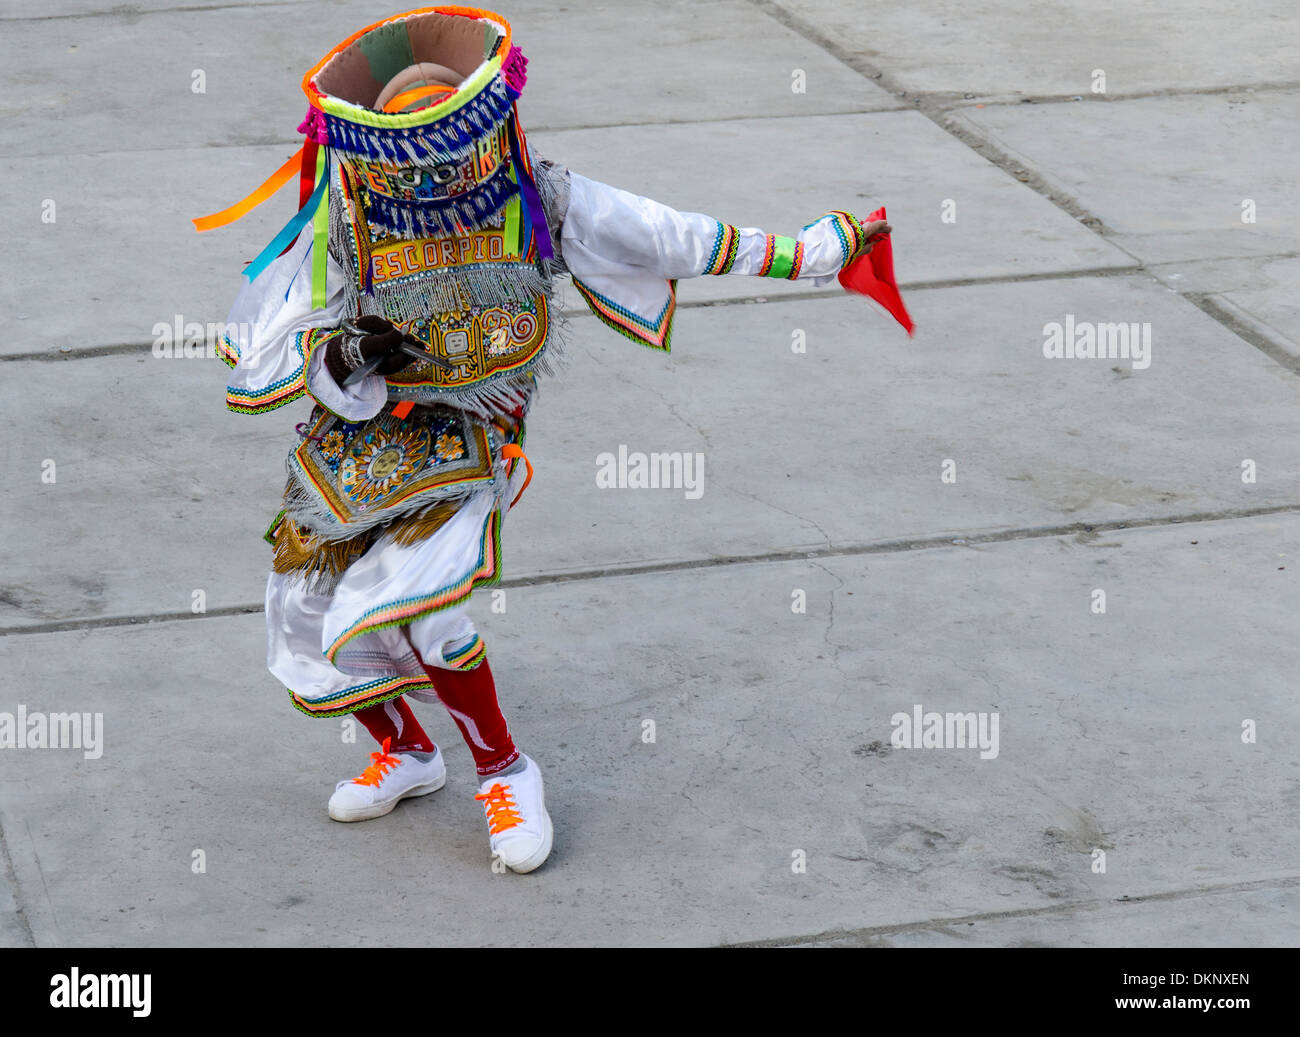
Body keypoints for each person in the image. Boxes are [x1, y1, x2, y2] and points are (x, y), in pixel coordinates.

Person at [200, 5, 889, 874]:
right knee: (296, 607)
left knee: (430, 604)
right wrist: (348, 354)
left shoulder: (539, 193)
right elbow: (289, 332)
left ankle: (505, 770)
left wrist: (802, 253)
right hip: (353, 440)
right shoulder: (347, 213)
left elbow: (667, 233)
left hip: (476, 437)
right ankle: (410, 752)